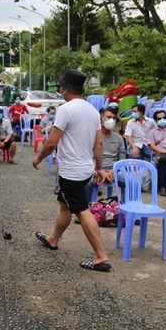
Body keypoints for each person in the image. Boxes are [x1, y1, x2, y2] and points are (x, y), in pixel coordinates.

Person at [32, 69, 112, 272]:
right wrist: (98, 168)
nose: (60, 89)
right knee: (65, 205)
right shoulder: (93, 111)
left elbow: (51, 142)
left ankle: (100, 256)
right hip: (84, 169)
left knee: (82, 210)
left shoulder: (66, 109)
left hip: (71, 172)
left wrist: (38, 158)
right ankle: (53, 238)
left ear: (66, 88)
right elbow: (99, 145)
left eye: (61, 86)